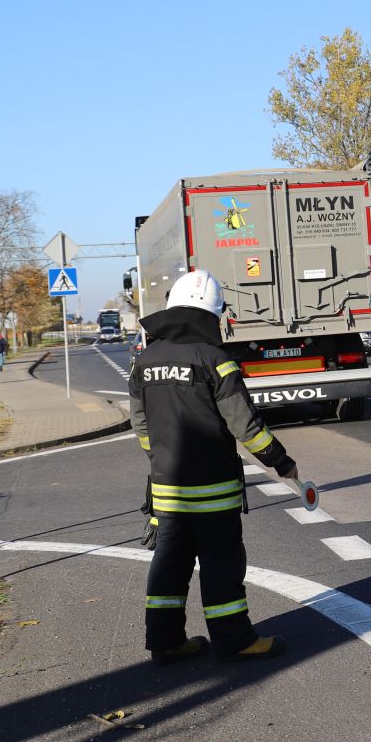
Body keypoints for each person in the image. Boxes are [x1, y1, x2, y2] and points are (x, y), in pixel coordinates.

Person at [129, 269, 297, 664]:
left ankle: (165, 642)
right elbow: (245, 426)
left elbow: (140, 423)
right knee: (221, 564)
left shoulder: (145, 361)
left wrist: (161, 457)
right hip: (213, 489)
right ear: (212, 315)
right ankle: (235, 641)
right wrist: (280, 461)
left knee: (169, 563)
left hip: (167, 488)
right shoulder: (215, 361)